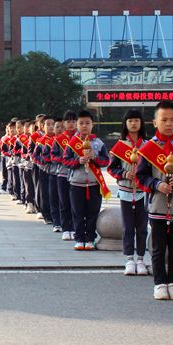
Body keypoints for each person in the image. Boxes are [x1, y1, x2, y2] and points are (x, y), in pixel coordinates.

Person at [136, 101, 173, 301]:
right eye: (164, 120)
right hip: (157, 205)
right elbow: (140, 176)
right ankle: (160, 283)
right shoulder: (148, 148)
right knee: (158, 248)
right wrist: (156, 184)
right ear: (155, 122)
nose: (168, 124)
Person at [61, 110, 111, 251]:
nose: (84, 126)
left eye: (87, 123)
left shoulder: (98, 143)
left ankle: (90, 239)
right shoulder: (72, 143)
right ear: (77, 125)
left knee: (92, 213)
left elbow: (106, 161)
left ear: (92, 125)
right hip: (76, 184)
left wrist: (94, 158)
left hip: (94, 184)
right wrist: (78, 160)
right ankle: (79, 239)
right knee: (77, 212)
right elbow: (65, 161)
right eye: (81, 123)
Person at [108, 109, 149, 275]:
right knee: (127, 227)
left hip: (143, 192)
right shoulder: (120, 146)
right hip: (125, 191)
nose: (133, 123)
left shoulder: (147, 146)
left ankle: (141, 259)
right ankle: (129, 259)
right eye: (130, 120)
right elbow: (112, 168)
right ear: (125, 124)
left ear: (141, 123)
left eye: (137, 120)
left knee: (142, 227)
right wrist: (124, 174)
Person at [53, 111, 78, 241]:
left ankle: (74, 227)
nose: (71, 124)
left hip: (77, 176)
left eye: (74, 121)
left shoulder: (81, 139)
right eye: (68, 121)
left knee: (75, 203)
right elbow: (53, 156)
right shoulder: (58, 139)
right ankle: (66, 228)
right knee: (64, 202)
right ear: (64, 123)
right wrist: (65, 160)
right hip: (62, 174)